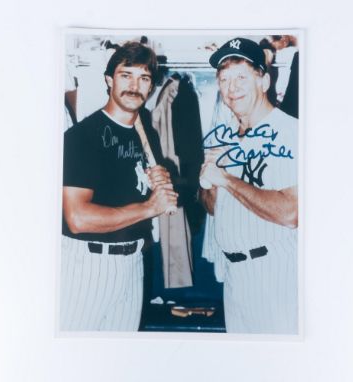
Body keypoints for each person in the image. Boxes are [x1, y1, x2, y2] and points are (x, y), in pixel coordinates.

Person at [60, 41, 178, 331]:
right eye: (126, 75)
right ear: (109, 80)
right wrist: (150, 207)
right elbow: (77, 218)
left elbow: (124, 191)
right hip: (89, 266)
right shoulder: (82, 137)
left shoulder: (143, 132)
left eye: (144, 78)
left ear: (151, 87)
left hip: (132, 263)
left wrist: (155, 185)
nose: (134, 86)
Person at [200, 37, 299, 334]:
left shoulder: (289, 132)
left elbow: (291, 213)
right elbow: (211, 208)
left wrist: (227, 180)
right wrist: (209, 184)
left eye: (242, 77)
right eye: (224, 79)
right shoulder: (224, 136)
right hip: (234, 278)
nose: (232, 88)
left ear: (264, 81)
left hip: (274, 276)